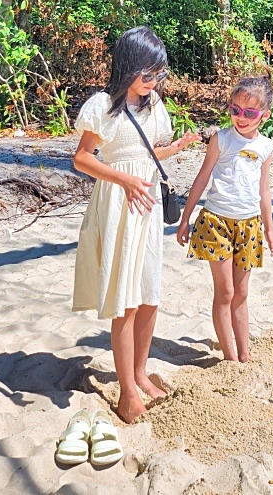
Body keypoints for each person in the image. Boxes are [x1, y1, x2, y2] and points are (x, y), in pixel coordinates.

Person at [71, 26, 200, 424]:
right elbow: (82, 159)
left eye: (159, 74)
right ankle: (127, 391)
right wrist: (124, 180)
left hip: (145, 209)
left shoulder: (153, 104)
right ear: (130, 67)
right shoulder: (101, 105)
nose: (156, 81)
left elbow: (148, 153)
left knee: (148, 294)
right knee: (124, 300)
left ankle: (140, 373)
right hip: (116, 205)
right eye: (150, 74)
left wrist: (177, 148)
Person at [176, 76, 273, 363]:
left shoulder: (266, 147)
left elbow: (264, 191)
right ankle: (231, 358)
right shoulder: (221, 138)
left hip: (249, 225)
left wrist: (269, 229)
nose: (240, 118)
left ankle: (244, 354)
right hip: (216, 222)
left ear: (264, 115)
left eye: (249, 113)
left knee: (242, 293)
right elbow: (202, 177)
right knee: (226, 292)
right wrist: (186, 218)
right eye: (235, 110)